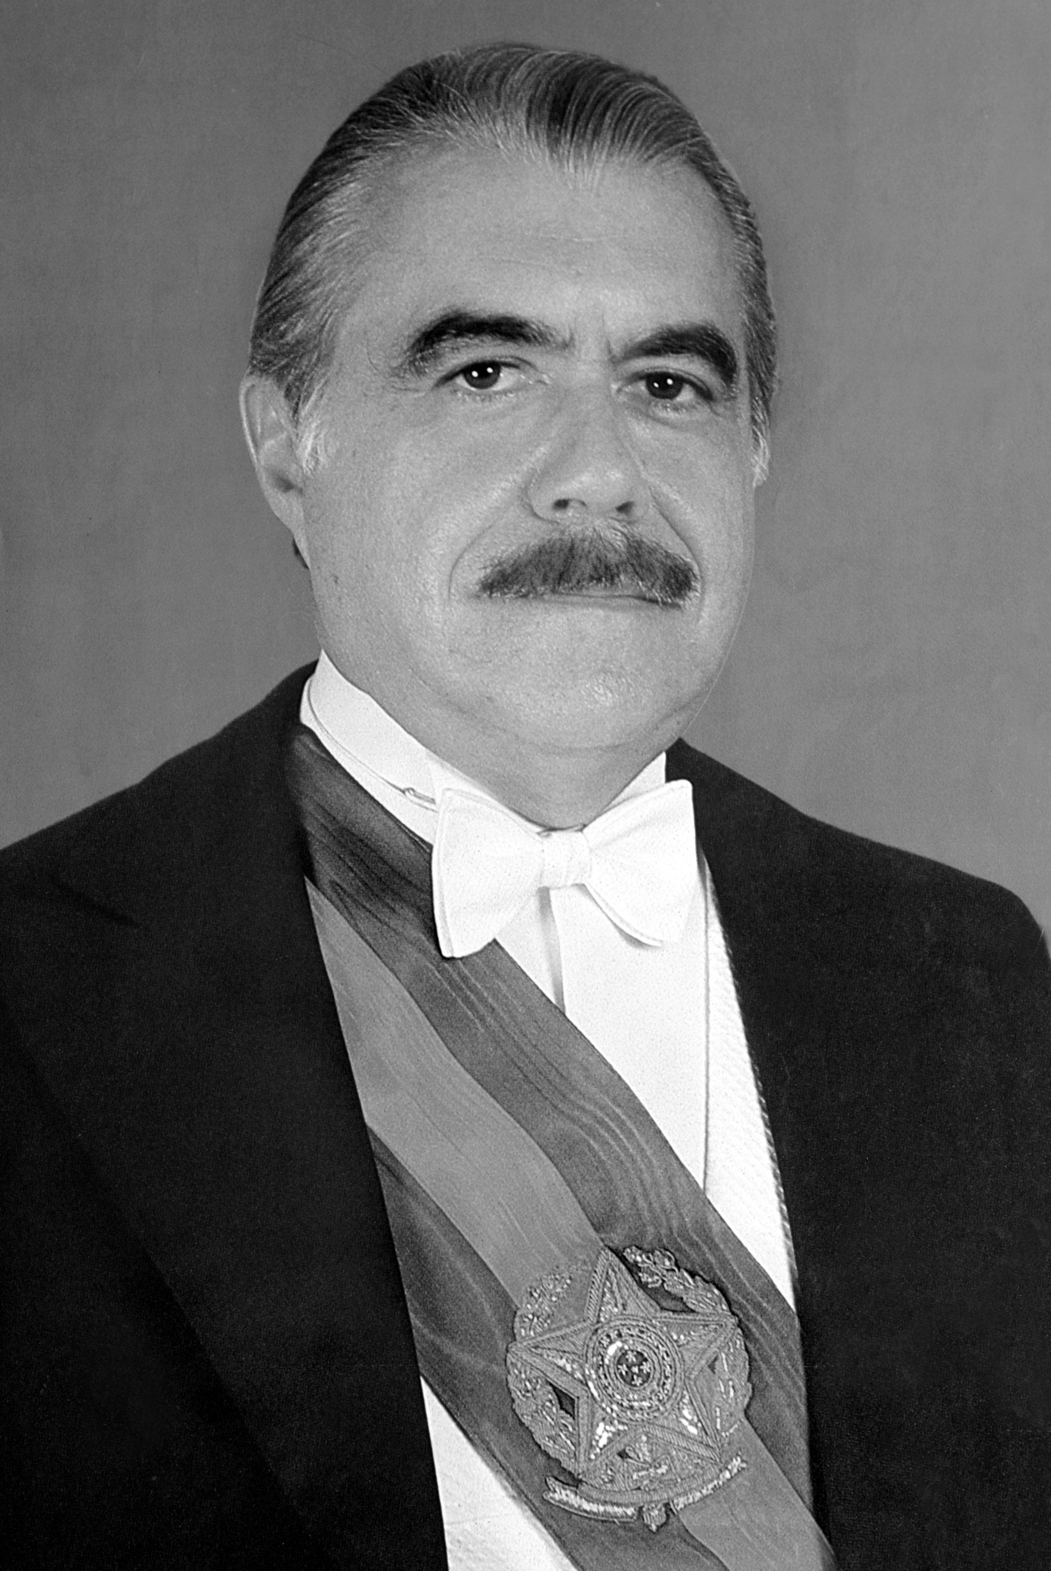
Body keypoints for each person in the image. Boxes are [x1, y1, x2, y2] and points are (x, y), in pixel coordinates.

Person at [1, 43, 1048, 1571]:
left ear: (755, 448)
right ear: (288, 446)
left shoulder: (971, 984)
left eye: (669, 385)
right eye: (486, 373)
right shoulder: (33, 987)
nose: (598, 473)